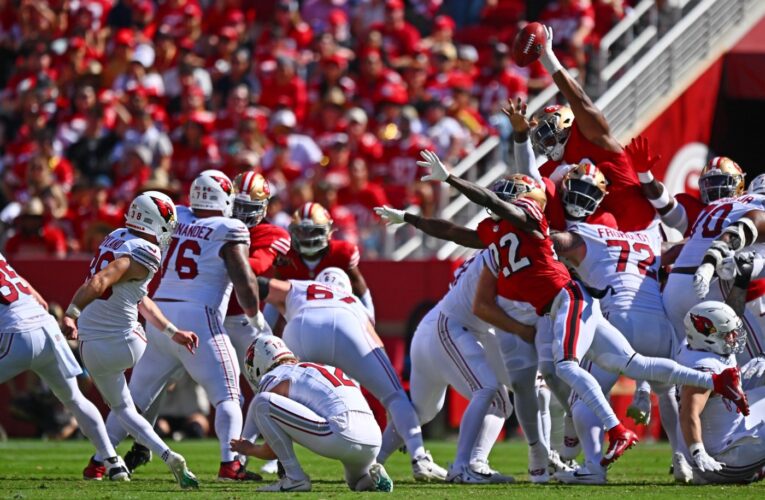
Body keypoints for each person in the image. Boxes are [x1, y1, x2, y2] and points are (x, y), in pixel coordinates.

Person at [415, 149, 751, 470]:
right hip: (609, 308)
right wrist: (409, 217)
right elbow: (460, 234)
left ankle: (612, 436)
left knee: (565, 369)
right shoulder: (510, 232)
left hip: (571, 302)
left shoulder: (541, 225)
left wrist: (451, 180)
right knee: (635, 365)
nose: (508, 200)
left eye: (514, 196)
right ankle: (715, 380)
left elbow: (494, 210)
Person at [376, 205, 563, 483]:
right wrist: (525, 331)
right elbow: (483, 308)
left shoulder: (498, 244)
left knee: (429, 410)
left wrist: (408, 218)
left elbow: (450, 231)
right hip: (451, 326)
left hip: (442, 327)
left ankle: (373, 462)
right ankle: (464, 466)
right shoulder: (510, 256)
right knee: (490, 390)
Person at [106, 170, 265, 481]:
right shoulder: (229, 227)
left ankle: (101, 458)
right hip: (199, 317)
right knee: (228, 396)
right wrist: (254, 313)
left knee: (134, 398)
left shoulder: (177, 216)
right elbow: (244, 280)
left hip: (161, 312)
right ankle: (230, 464)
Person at [61, 191, 199, 489]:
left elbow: (134, 295)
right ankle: (166, 454)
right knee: (126, 408)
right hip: (129, 341)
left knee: (121, 408)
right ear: (155, 220)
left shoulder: (116, 236)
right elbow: (101, 281)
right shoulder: (145, 251)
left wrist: (171, 330)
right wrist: (71, 311)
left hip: (92, 346)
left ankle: (110, 459)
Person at [257, 268, 448, 481]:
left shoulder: (305, 287)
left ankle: (278, 463)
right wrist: (391, 398)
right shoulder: (354, 301)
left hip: (303, 327)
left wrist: (252, 314)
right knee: (396, 397)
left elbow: (262, 285)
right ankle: (419, 458)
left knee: (281, 394)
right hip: (349, 327)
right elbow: (376, 344)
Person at [0, 253, 129, 481]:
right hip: (47, 328)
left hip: (18, 333)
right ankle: (113, 461)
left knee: (74, 399)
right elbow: (35, 296)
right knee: (75, 400)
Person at [529, 25, 655, 231]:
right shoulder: (552, 168)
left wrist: (548, 59)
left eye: (549, 137)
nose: (546, 146)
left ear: (566, 125)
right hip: (601, 242)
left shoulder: (588, 136)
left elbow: (580, 101)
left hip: (643, 228)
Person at [230, 335, 394, 492]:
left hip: (341, 431)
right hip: (372, 438)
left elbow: (272, 448)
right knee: (357, 482)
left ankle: (295, 479)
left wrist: (250, 449)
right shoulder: (320, 368)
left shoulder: (276, 375)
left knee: (261, 402)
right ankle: (372, 477)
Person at [677, 301, 765, 484]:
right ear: (705, 336)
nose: (734, 337)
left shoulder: (695, 345)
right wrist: (698, 452)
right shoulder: (703, 368)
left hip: (731, 432)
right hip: (721, 459)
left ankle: (754, 470)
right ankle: (751, 471)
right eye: (727, 334)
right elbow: (688, 413)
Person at [273, 202, 374, 319]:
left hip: (339, 316)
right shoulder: (285, 256)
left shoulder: (341, 253)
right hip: (298, 318)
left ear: (327, 230)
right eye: (302, 231)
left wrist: (369, 320)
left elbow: (360, 289)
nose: (308, 237)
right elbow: (274, 297)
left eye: (314, 231)